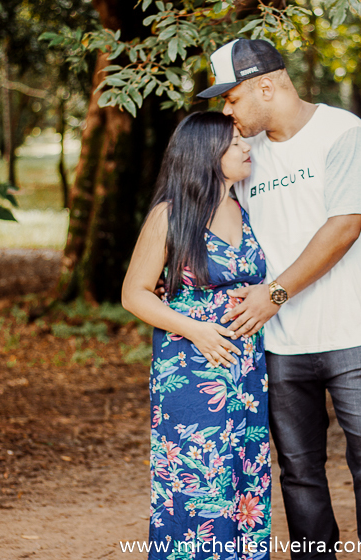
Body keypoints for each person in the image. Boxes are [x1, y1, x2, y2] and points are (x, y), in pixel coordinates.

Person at [196, 39, 361, 560]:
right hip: (281, 345)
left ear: (266, 86)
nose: (227, 111)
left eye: (232, 98)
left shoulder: (342, 132)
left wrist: (275, 293)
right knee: (299, 470)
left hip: (354, 335)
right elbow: (209, 217)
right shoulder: (245, 155)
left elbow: (345, 227)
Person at [121, 111, 272, 560]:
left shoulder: (246, 207)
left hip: (247, 372)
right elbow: (134, 293)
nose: (245, 147)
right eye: (234, 142)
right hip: (190, 370)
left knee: (245, 478)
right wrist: (196, 330)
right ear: (206, 153)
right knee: (198, 482)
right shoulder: (171, 215)